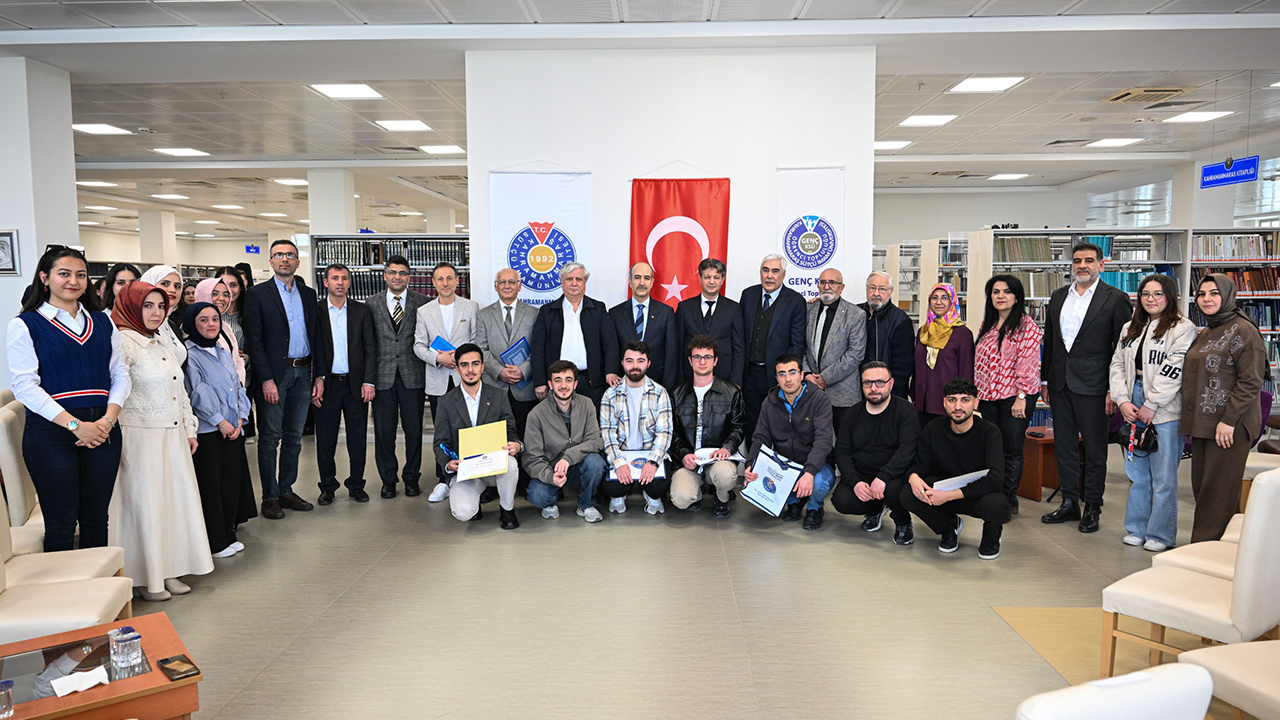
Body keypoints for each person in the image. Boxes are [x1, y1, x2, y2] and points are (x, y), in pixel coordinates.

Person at [7, 246, 129, 552]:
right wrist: (76, 426)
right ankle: (61, 584)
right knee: (61, 524)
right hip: (51, 434)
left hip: (103, 430)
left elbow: (120, 374)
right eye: (64, 274)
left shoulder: (103, 321)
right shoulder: (25, 324)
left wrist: (107, 421)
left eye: (81, 274)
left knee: (96, 519)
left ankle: (98, 583)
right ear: (44, 278)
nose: (73, 281)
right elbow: (25, 387)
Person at [109, 282, 212, 601]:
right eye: (148, 306)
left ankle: (167, 570)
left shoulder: (160, 339)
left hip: (172, 434)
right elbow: (113, 390)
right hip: (139, 437)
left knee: (171, 505)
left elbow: (178, 388)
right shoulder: (122, 342)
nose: (156, 312)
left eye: (161, 306)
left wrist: (189, 428)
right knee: (146, 507)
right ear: (131, 307)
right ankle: (144, 577)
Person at [1040, 242, 1132, 533]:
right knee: (1064, 447)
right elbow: (1050, 341)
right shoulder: (1058, 297)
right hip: (1060, 383)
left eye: (1089, 260)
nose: (1082, 265)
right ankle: (1069, 501)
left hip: (1095, 386)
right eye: (1077, 260)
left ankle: (1093, 505)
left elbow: (1122, 348)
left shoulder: (1115, 299)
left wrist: (1114, 390)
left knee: (1094, 450)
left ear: (1101, 265)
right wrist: (1045, 380)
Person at [1109, 274, 1196, 552]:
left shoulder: (1183, 328)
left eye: (1158, 294)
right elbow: (1117, 364)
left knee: (1163, 477)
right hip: (1132, 401)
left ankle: (1160, 534)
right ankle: (1137, 528)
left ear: (1169, 297)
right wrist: (1122, 400)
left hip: (1165, 407)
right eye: (1145, 294)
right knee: (1137, 473)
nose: (1151, 299)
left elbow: (1175, 368)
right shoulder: (1130, 327)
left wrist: (1153, 403)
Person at [1181, 273, 1268, 543]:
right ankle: (1225, 546)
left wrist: (1228, 420)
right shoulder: (1208, 330)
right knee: (1204, 488)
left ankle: (1204, 549)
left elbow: (1251, 381)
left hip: (1230, 426)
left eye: (1214, 293)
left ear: (1228, 295)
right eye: (1201, 294)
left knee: (1217, 492)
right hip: (1204, 422)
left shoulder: (1244, 330)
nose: (1206, 299)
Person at [243, 238, 316, 519]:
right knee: (270, 437)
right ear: (271, 261)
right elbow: (255, 340)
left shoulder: (308, 294)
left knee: (294, 437)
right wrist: (266, 379)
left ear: (297, 261)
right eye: (279, 255)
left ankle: (286, 490)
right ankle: (270, 497)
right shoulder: (257, 295)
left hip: (303, 371)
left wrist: (317, 374)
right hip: (275, 374)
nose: (284, 259)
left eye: (290, 255)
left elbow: (315, 335)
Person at [900, 378, 1009, 559]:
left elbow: (995, 478)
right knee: (907, 493)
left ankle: (991, 539)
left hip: (975, 493)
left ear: (976, 403)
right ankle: (948, 527)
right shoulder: (933, 428)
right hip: (943, 487)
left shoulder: (989, 432)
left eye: (965, 400)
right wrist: (913, 477)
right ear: (944, 403)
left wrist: (949, 495)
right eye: (952, 400)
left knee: (997, 505)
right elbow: (920, 464)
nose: (958, 406)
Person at [185, 302, 255, 559]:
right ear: (192, 324)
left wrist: (241, 418)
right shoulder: (190, 354)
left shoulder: (221, 349)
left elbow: (237, 386)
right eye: (203, 320)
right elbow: (198, 393)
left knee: (230, 482)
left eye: (215, 319)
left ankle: (227, 533)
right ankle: (215, 541)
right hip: (209, 430)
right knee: (211, 486)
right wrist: (220, 422)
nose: (211, 324)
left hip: (233, 427)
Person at [431, 343, 523, 529]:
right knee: (463, 512)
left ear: (482, 367)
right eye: (464, 365)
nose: (470, 370)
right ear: (457, 369)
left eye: (475, 364)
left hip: (493, 466)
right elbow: (440, 442)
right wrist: (448, 464)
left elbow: (510, 430)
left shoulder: (498, 396)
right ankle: (474, 503)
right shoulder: (446, 402)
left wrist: (516, 444)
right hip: (465, 471)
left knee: (511, 464)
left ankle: (507, 509)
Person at [974, 275, 1043, 516]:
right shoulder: (988, 324)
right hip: (988, 397)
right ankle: (994, 494)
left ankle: (1008, 499)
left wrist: (1021, 397)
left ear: (1016, 296)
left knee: (1011, 448)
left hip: (1015, 397)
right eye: (996, 292)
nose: (1000, 296)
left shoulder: (1027, 326)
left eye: (1006, 291)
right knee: (993, 447)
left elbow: (1027, 364)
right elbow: (979, 363)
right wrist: (977, 394)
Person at [830, 361, 920, 543]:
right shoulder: (852, 413)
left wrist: (883, 478)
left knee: (894, 492)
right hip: (863, 473)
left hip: (894, 474)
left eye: (880, 382)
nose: (873, 388)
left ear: (891, 384)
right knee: (842, 500)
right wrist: (855, 482)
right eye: (867, 383)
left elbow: (907, 450)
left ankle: (902, 522)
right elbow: (842, 452)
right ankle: (874, 510)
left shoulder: (906, 411)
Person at [744, 353, 835, 530]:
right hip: (786, 466)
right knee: (760, 484)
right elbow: (761, 437)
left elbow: (823, 440)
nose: (788, 379)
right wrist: (751, 465)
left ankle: (815, 508)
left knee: (819, 483)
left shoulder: (819, 399)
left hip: (816, 465)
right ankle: (794, 503)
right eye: (782, 374)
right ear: (776, 378)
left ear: (801, 375)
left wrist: (809, 472)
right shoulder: (769, 402)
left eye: (792, 372)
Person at [311, 264, 378, 506]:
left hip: (355, 385)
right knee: (325, 440)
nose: (340, 282)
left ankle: (356, 485)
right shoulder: (315, 311)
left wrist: (369, 381)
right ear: (325, 282)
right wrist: (316, 377)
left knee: (357, 439)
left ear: (349, 282)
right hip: (326, 385)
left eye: (344, 278)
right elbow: (313, 348)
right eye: (335, 278)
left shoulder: (362, 311)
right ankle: (327, 486)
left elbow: (370, 349)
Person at [414, 261, 480, 503]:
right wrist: (438, 358)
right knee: (442, 432)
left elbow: (476, 340)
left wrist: (462, 360)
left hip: (467, 378)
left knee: (470, 429)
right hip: (438, 379)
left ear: (457, 281)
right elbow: (418, 345)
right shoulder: (424, 311)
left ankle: (473, 477)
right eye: (440, 279)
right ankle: (443, 479)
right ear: (433, 283)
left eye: (449, 278)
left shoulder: (471, 307)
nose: (445, 283)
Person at [366, 255, 429, 499]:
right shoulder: (371, 303)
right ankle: (388, 479)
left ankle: (412, 477)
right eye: (392, 272)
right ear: (385, 276)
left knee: (414, 431)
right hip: (382, 377)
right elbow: (368, 343)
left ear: (409, 277)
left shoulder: (422, 302)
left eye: (402, 273)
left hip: (413, 376)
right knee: (384, 433)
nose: (397, 277)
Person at [668, 335, 745, 519]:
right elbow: (672, 432)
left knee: (726, 475)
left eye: (707, 357)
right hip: (689, 461)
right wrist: (684, 454)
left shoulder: (731, 392)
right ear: (690, 361)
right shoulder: (677, 394)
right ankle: (696, 493)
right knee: (681, 499)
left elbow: (738, 427)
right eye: (697, 357)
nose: (702, 362)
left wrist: (727, 448)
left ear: (715, 361)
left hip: (717, 460)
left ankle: (721, 497)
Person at [475, 268, 538, 492]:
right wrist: (499, 371)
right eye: (502, 282)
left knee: (525, 434)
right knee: (494, 436)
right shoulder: (483, 315)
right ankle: (492, 485)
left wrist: (523, 370)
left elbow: (539, 348)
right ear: (496, 286)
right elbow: (480, 349)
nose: (507, 286)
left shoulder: (534, 313)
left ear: (520, 286)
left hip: (525, 386)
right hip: (495, 386)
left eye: (512, 282)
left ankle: (524, 482)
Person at [523, 360, 607, 523]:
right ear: (550, 385)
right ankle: (550, 503)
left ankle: (586, 504)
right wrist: (550, 477)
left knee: (596, 462)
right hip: (551, 470)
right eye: (558, 380)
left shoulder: (587, 404)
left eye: (568, 380)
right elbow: (532, 458)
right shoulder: (536, 414)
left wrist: (568, 457)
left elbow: (595, 441)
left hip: (579, 465)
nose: (563, 385)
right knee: (538, 496)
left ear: (575, 384)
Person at [530, 262, 619, 408]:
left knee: (589, 421)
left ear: (585, 283)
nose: (574, 283)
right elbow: (538, 349)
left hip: (591, 381)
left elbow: (610, 344)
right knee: (558, 421)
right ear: (561, 282)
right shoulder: (547, 312)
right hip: (558, 382)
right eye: (569, 279)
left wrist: (611, 371)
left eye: (578, 279)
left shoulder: (598, 309)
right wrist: (540, 381)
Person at [599, 341, 673, 515]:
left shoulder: (660, 392)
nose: (635, 366)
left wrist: (653, 462)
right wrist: (618, 463)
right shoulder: (610, 395)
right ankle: (619, 495)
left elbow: (664, 433)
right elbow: (607, 434)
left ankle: (651, 495)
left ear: (648, 363)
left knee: (658, 487)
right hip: (622, 454)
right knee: (613, 488)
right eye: (629, 361)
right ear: (622, 363)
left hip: (649, 453)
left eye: (640, 361)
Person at [740, 254, 806, 438]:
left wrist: (787, 375)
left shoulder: (795, 301)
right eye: (765, 270)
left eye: (775, 271)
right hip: (749, 374)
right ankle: (753, 457)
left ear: (783, 275)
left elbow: (797, 344)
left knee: (779, 424)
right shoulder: (748, 295)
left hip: (777, 376)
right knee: (751, 425)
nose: (769, 276)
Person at [803, 267, 866, 432]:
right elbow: (801, 346)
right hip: (811, 391)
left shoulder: (856, 314)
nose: (827, 286)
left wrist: (825, 378)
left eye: (832, 282)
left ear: (842, 287)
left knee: (845, 440)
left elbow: (855, 354)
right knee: (813, 439)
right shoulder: (807, 310)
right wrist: (807, 374)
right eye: (823, 282)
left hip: (843, 395)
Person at [609, 262, 679, 390]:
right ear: (630, 281)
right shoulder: (615, 313)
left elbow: (671, 352)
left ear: (652, 282)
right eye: (637, 277)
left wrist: (668, 387)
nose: (642, 283)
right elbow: (612, 348)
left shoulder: (666, 312)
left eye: (646, 278)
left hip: (657, 382)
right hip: (623, 383)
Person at [913, 282, 974, 427]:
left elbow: (966, 371)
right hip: (922, 403)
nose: (938, 302)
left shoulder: (962, 334)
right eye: (934, 298)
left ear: (952, 302)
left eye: (944, 298)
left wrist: (962, 402)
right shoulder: (923, 332)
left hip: (949, 405)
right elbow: (917, 367)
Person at [675, 258, 743, 385]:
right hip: (689, 377)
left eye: (716, 277)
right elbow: (677, 347)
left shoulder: (734, 309)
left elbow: (739, 349)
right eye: (707, 277)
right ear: (700, 278)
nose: (712, 281)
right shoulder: (684, 308)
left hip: (724, 377)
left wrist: (735, 382)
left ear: (722, 280)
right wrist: (678, 381)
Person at [858, 270, 914, 398]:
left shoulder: (901, 320)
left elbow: (903, 366)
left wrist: (887, 392)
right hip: (858, 392)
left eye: (882, 289)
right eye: (872, 288)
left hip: (889, 394)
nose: (876, 293)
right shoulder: (855, 313)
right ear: (866, 289)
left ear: (891, 292)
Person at [193, 277, 245, 386]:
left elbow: (237, 359)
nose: (221, 298)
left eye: (226, 295)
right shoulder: (194, 327)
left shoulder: (225, 327)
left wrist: (238, 385)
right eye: (214, 294)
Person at [139, 264, 187, 365]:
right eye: (165, 284)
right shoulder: (140, 325)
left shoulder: (172, 326)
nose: (172, 290)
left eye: (177, 286)